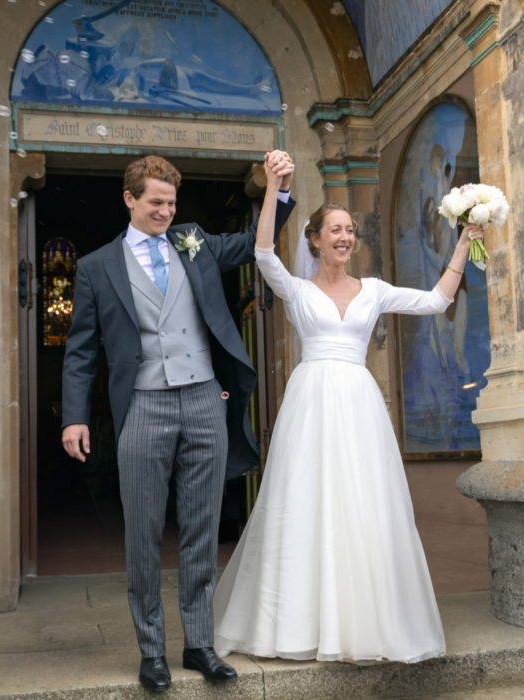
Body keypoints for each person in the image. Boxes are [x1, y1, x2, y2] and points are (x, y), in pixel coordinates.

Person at [213, 154, 485, 664]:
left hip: (359, 404)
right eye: (335, 230)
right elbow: (265, 250)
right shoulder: (294, 290)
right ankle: (297, 622)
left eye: (350, 231)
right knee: (305, 498)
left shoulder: (374, 291)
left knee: (363, 502)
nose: (344, 237)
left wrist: (465, 242)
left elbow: (435, 302)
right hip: (311, 401)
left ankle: (366, 623)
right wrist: (274, 186)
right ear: (314, 239)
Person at [61, 153, 295, 688]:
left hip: (204, 401)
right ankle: (151, 651)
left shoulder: (194, 240)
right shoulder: (97, 267)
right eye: (156, 202)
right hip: (142, 405)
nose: (166, 211)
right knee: (142, 532)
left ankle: (198, 644)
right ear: (130, 200)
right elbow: (79, 351)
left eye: (171, 202)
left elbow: (253, 244)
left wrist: (277, 190)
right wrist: (75, 417)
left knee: (201, 528)